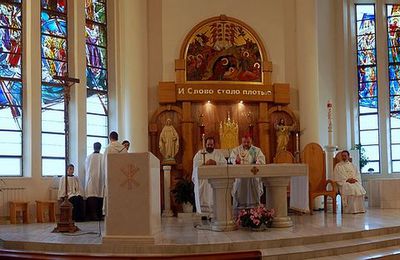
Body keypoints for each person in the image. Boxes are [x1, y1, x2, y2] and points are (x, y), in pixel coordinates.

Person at [192, 137, 227, 215]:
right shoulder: (200, 153)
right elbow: (195, 163)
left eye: (211, 144)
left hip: (215, 180)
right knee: (204, 188)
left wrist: (215, 162)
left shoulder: (219, 154)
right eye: (208, 144)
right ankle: (203, 213)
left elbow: (224, 163)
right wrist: (205, 163)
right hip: (203, 181)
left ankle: (215, 212)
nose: (210, 146)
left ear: (214, 145)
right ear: (205, 144)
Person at [230, 134, 266, 210]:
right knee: (240, 192)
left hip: (253, 176)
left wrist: (257, 162)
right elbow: (231, 159)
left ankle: (254, 210)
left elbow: (262, 160)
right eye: (244, 142)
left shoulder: (256, 150)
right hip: (240, 177)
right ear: (241, 142)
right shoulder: (236, 150)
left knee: (253, 192)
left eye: (248, 142)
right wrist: (236, 160)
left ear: (251, 141)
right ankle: (240, 211)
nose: (246, 144)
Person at [102, 131, 128, 215]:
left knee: (111, 194)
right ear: (117, 138)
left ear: (110, 138)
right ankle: (122, 210)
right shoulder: (124, 149)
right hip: (122, 176)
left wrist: (105, 174)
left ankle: (111, 212)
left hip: (111, 176)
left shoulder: (109, 148)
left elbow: (104, 163)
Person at [85, 142, 104, 221]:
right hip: (101, 179)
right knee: (99, 195)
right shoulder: (103, 157)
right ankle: (98, 215)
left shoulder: (89, 157)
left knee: (92, 195)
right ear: (100, 148)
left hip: (91, 179)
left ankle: (94, 215)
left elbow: (86, 168)